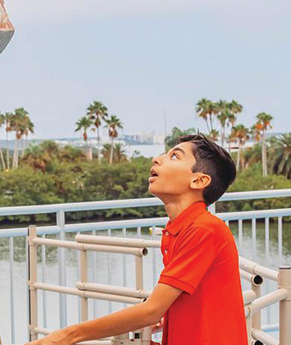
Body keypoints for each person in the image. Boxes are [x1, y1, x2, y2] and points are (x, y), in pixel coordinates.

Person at [27, 134, 247, 345]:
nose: (156, 159)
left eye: (174, 156)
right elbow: (170, 304)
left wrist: (67, 335)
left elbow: (151, 310)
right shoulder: (178, 229)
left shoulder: (204, 229)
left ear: (199, 180)